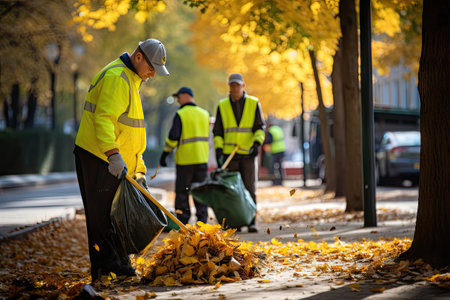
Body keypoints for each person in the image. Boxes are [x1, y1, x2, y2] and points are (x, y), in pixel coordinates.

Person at [74, 38, 169, 281]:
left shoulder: (129, 78)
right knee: (103, 218)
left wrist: (138, 167)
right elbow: (104, 119)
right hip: (99, 158)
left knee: (114, 216)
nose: (152, 74)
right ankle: (109, 270)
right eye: (151, 68)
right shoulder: (118, 78)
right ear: (138, 57)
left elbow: (128, 130)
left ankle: (119, 267)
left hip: (109, 159)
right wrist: (113, 155)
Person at [212, 73, 265, 233]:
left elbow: (259, 127)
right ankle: (233, 223)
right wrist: (219, 149)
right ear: (229, 87)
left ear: (243, 87)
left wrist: (257, 144)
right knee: (232, 190)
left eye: (237, 85)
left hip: (248, 154)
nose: (234, 88)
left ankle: (251, 222)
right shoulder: (223, 105)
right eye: (232, 85)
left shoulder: (253, 103)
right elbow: (218, 132)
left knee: (250, 188)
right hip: (230, 155)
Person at [159, 87, 210, 225]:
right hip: (201, 160)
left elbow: (173, 137)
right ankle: (202, 221)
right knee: (200, 191)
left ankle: (182, 220)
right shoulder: (204, 114)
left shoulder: (181, 114)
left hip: (185, 161)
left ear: (186, 95)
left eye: (179, 97)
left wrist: (165, 153)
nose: (178, 100)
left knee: (182, 192)